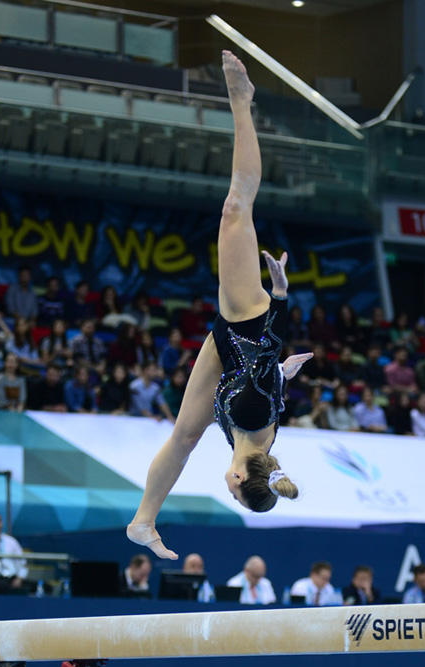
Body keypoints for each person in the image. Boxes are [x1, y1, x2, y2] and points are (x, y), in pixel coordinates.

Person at [126, 52, 311, 560]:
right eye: (232, 490)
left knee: (186, 435)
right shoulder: (252, 424)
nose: (226, 484)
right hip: (246, 319)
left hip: (228, 352)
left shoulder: (259, 446)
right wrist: (279, 298)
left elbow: (269, 381)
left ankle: (144, 520)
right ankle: (241, 102)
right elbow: (267, 353)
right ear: (237, 476)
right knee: (236, 208)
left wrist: (285, 376)